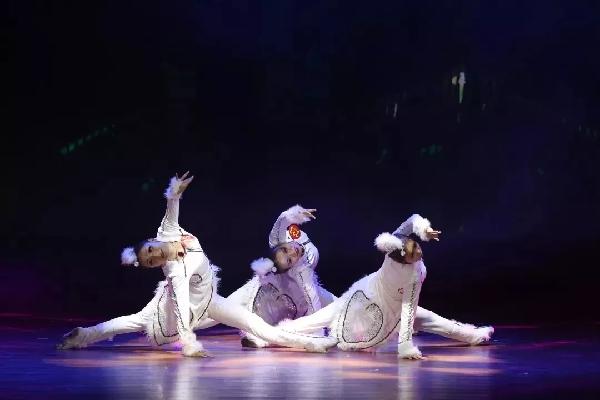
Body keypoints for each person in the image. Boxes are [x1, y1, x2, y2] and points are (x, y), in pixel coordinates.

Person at [57, 173, 337, 356]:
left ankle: (312, 343)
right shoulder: (175, 271)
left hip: (209, 301)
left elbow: (171, 213)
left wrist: (174, 194)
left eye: (151, 250)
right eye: (151, 262)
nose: (155, 256)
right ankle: (85, 334)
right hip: (178, 310)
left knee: (257, 325)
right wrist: (188, 343)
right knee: (135, 321)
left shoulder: (167, 232)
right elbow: (180, 305)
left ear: (154, 240)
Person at [276, 214, 493, 360]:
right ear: (404, 259)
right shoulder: (409, 276)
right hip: (376, 304)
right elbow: (408, 308)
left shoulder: (397, 241)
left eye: (416, 246)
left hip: (381, 297)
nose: (419, 252)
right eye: (413, 253)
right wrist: (405, 345)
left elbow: (413, 219)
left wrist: (424, 230)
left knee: (435, 321)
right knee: (323, 316)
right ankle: (274, 334)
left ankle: (474, 335)